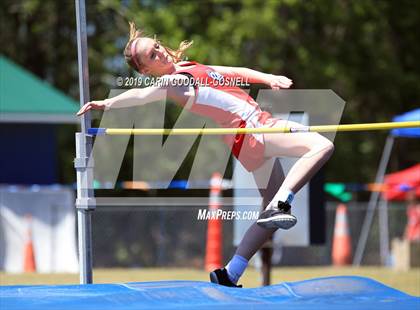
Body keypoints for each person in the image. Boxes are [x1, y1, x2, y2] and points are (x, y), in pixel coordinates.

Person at [77, 22, 334, 287]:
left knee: (267, 215)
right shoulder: (172, 82)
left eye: (156, 46)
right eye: (152, 56)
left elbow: (235, 72)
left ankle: (229, 273)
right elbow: (142, 95)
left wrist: (268, 78)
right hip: (253, 128)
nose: (160, 52)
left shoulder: (191, 68)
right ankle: (283, 203)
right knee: (322, 146)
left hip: (244, 138)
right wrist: (107, 103)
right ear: (145, 70)